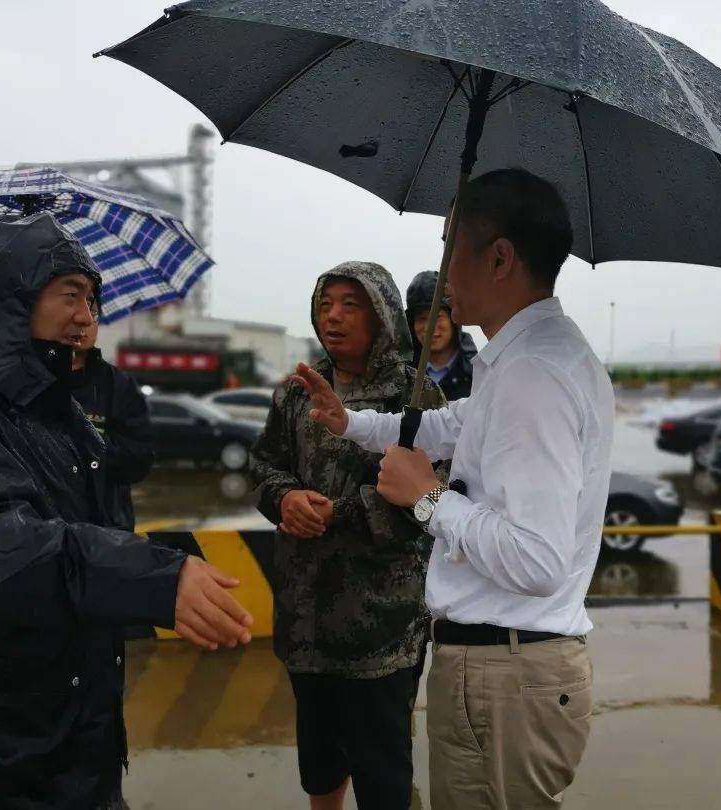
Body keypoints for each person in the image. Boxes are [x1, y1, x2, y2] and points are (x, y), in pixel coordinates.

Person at [0, 213, 253, 810]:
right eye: (71, 295)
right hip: (1, 760)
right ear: (12, 299)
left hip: (74, 741)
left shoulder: (55, 409)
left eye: (92, 298)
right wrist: (152, 577)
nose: (88, 317)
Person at [293, 169, 614, 810]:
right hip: (503, 670)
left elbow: (538, 560)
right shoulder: (523, 360)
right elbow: (444, 426)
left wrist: (427, 500)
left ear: (498, 258)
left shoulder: (535, 375)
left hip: (505, 676)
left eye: (448, 247)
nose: (441, 272)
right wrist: (349, 421)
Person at [250, 262, 444, 810]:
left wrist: (343, 513)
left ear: (380, 314)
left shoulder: (413, 395)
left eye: (349, 304)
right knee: (319, 764)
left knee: (382, 773)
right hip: (304, 616)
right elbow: (264, 465)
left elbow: (436, 492)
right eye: (325, 302)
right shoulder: (298, 390)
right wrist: (284, 498)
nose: (332, 316)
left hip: (380, 625)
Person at [71, 317, 154, 532]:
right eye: (72, 305)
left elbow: (139, 460)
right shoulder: (27, 380)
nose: (85, 320)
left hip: (107, 531)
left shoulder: (118, 385)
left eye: (94, 313)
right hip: (41, 533)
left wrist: (82, 443)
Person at [405, 270, 476, 402]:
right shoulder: (402, 376)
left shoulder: (478, 373)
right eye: (421, 319)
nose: (428, 328)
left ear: (453, 319)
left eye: (436, 317)